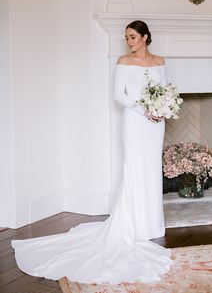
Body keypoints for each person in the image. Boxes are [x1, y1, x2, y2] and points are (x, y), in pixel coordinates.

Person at [12, 20, 173, 284]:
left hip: (156, 123)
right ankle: (135, 223)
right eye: (126, 38)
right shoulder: (123, 61)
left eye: (133, 37)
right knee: (134, 167)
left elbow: (165, 90)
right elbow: (118, 95)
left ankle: (152, 224)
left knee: (151, 168)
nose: (129, 41)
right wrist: (145, 109)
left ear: (145, 37)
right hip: (135, 121)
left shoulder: (159, 61)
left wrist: (162, 109)